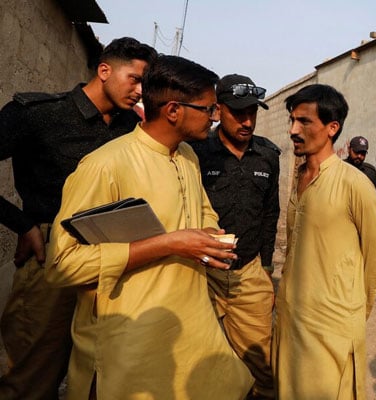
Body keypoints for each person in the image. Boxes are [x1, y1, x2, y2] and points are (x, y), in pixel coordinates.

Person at [45, 55, 253, 399]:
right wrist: (169, 244)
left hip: (189, 333)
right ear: (173, 110)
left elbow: (203, 213)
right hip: (129, 348)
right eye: (208, 109)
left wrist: (211, 239)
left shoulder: (186, 155)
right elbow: (61, 267)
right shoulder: (104, 166)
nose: (215, 118)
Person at [0, 37, 157, 400]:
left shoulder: (130, 129)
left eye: (144, 85)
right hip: (52, 260)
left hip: (113, 262)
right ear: (104, 70)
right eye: (134, 79)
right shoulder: (38, 114)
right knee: (33, 377)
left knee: (103, 373)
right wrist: (21, 224)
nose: (139, 91)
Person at [272, 84, 376, 399]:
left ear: (332, 128)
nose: (293, 130)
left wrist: (350, 312)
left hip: (331, 330)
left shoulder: (355, 184)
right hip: (292, 317)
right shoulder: (300, 178)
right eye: (292, 121)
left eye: (304, 122)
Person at [190, 73, 280, 399]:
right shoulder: (196, 153)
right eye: (238, 112)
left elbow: (271, 213)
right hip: (203, 275)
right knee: (202, 363)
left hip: (249, 273)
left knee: (265, 370)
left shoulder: (268, 156)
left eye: (253, 112)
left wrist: (267, 268)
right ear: (218, 110)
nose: (247, 121)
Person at [344, 136, 376, 208]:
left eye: (363, 154)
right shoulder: (340, 168)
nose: (359, 156)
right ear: (349, 149)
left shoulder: (369, 171)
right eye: (356, 152)